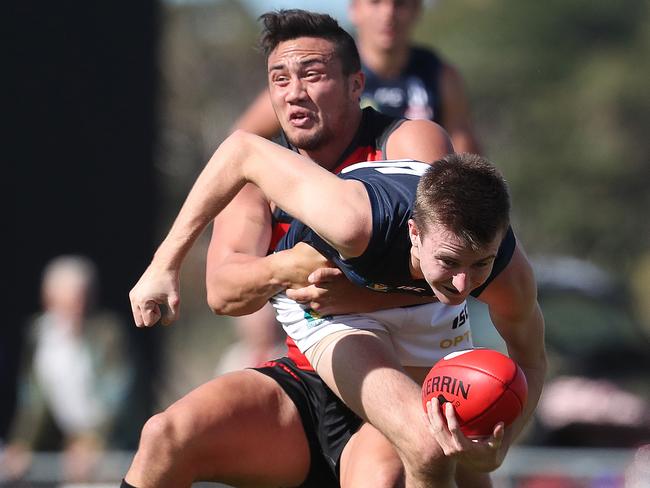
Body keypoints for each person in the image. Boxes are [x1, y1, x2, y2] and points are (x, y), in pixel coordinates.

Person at [125, 11, 545, 488]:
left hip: (416, 366)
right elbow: (224, 294)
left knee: (409, 459)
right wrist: (291, 265)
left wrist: (360, 291)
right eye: (280, 79)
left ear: (355, 85)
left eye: (313, 75)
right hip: (313, 371)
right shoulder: (262, 180)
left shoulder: (407, 146)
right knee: (165, 435)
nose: (294, 91)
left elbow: (446, 252)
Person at [234, 0, 481, 154]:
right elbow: (241, 141)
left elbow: (465, 159)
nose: (388, 13)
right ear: (354, 9)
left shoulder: (440, 76)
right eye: (375, 2)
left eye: (400, 3)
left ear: (417, 9)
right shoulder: (321, 73)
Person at [2, 255, 133, 483]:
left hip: (112, 445)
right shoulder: (39, 334)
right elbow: (34, 400)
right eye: (68, 301)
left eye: (82, 299)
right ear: (49, 298)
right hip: (71, 447)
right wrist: (22, 443)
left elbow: (118, 392)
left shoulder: (108, 333)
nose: (77, 308)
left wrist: (93, 440)